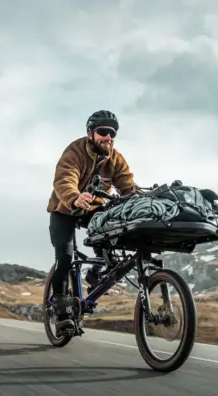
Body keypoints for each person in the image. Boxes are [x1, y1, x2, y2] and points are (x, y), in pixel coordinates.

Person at [45, 110, 142, 332]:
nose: (108, 137)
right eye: (103, 132)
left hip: (94, 211)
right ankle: (60, 312)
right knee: (65, 257)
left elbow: (127, 185)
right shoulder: (75, 150)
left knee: (113, 237)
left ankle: (97, 273)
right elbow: (64, 177)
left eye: (112, 133)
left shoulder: (115, 159)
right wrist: (75, 197)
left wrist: (142, 198)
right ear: (90, 133)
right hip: (65, 209)